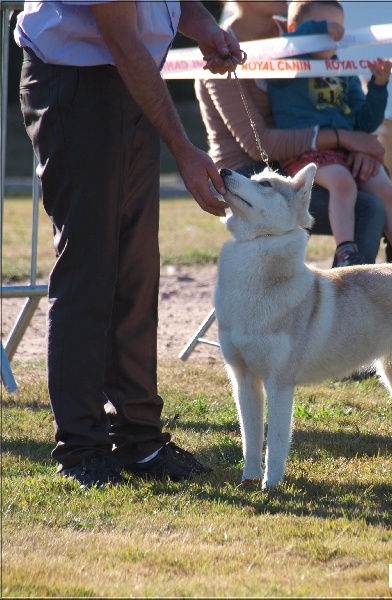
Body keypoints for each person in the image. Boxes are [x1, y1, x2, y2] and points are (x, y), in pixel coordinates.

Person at [14, 1, 243, 488]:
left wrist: (201, 25)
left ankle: (139, 440)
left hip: (130, 83)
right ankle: (82, 447)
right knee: (89, 274)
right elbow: (122, 40)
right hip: (77, 86)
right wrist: (184, 150)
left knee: (136, 273)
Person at [194, 0, 392, 267]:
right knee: (368, 209)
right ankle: (347, 300)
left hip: (308, 158)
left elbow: (345, 107)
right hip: (247, 173)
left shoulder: (308, 34)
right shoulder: (219, 52)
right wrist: (345, 139)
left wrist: (361, 150)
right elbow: (260, 144)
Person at [268, 0, 392, 266]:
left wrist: (379, 87)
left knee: (386, 190)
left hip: (347, 150)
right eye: (323, 29)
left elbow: (365, 122)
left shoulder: (344, 72)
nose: (331, 36)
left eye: (338, 31)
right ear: (294, 30)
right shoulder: (285, 64)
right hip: (307, 150)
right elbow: (290, 41)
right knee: (342, 182)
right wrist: (321, 28)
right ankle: (346, 251)